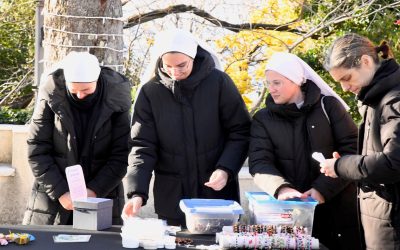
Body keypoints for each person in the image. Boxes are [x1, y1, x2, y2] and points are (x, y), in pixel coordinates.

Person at [122, 28, 251, 226]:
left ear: (194, 57)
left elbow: (240, 132)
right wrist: (137, 192)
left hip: (216, 197)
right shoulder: (150, 92)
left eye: (182, 65)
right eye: (168, 66)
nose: (175, 72)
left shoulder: (219, 83)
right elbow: (142, 146)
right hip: (173, 197)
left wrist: (226, 169)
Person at [249, 52, 362, 249]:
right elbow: (260, 161)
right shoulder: (263, 119)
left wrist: (321, 190)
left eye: (277, 83)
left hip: (337, 212)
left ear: (295, 81)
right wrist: (281, 189)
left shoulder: (329, 106)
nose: (271, 89)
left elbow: (352, 149)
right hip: (289, 216)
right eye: (268, 83)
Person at [23, 51, 131, 225]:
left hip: (103, 194)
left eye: (87, 90)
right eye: (73, 90)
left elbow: (122, 154)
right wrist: (60, 192)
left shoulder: (117, 101)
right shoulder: (50, 97)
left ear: (97, 81)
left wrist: (95, 190)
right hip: (54, 196)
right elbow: (37, 150)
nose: (80, 95)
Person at [321, 33, 400, 249]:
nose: (344, 88)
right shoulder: (374, 98)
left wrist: (341, 165)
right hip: (382, 221)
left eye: (346, 78)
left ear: (366, 61)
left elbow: (393, 163)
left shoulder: (393, 100)